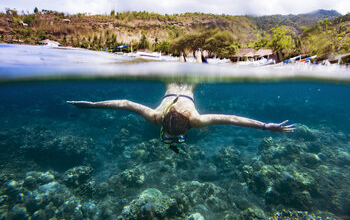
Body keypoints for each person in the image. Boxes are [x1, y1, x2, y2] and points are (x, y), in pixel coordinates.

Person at [67, 83, 295, 153]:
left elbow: (233, 118)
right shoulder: (158, 117)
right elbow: (232, 118)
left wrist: (266, 127)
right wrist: (92, 105)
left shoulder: (169, 118)